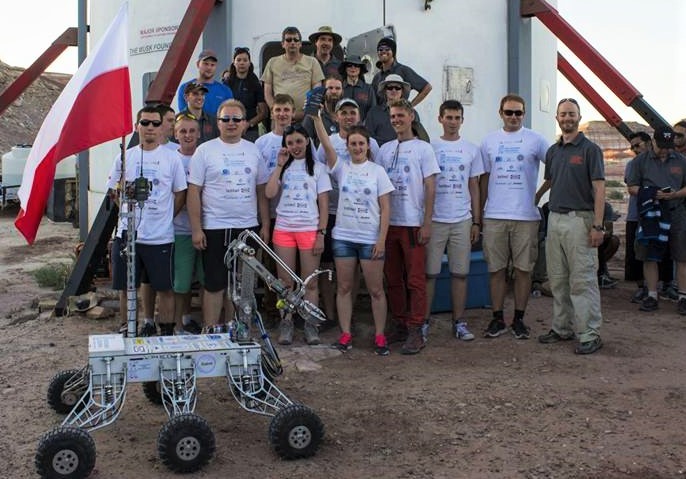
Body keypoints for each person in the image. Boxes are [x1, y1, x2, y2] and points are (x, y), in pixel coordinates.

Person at [313, 116, 394, 355]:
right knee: (344, 287)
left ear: (368, 146)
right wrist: (316, 117)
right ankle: (346, 334)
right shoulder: (341, 168)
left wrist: (381, 239)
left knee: (376, 290)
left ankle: (380, 336)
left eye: (361, 143)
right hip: (344, 237)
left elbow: (386, 208)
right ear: (347, 146)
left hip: (370, 239)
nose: (357, 148)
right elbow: (326, 144)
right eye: (353, 144)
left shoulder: (378, 171)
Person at [187, 99, 270, 331]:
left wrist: (265, 224)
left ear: (244, 123)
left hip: (247, 228)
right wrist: (196, 229)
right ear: (218, 122)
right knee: (215, 283)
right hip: (215, 227)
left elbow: (261, 190)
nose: (231, 123)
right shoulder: (204, 151)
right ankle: (211, 330)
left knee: (240, 284)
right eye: (226, 119)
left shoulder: (253, 150)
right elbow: (193, 191)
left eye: (236, 119)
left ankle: (234, 328)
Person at [106, 106, 187, 336]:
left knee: (165, 288)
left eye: (155, 123)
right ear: (137, 127)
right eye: (145, 123)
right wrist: (126, 213)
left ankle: (167, 331)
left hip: (160, 237)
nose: (150, 127)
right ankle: (127, 328)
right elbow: (113, 192)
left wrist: (166, 217)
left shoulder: (172, 158)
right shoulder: (125, 157)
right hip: (128, 234)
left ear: (161, 128)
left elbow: (180, 192)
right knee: (127, 287)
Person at [537, 98, 605, 355]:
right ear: (557, 118)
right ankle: (562, 327)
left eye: (571, 114)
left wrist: (598, 226)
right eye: (563, 114)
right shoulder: (553, 151)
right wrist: (535, 197)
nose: (567, 118)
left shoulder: (590, 150)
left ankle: (589, 333)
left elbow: (599, 189)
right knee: (558, 279)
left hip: (580, 220)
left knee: (582, 280)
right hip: (555, 219)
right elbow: (551, 180)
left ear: (579, 117)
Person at [480, 94, 549, 340]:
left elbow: (555, 167)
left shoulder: (536, 140)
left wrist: (537, 195)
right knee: (496, 269)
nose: (513, 117)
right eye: (509, 112)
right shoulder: (489, 141)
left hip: (526, 217)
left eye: (518, 113)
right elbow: (484, 178)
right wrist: (480, 213)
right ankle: (497, 318)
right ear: (501, 113)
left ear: (524, 114)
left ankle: (519, 319)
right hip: (495, 215)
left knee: (523, 270)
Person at [376, 98, 440, 355]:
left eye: (400, 115)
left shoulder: (424, 149)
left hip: (413, 223)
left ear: (411, 117)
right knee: (393, 278)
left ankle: (416, 328)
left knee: (415, 279)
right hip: (389, 223)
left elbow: (430, 186)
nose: (396, 120)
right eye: (393, 116)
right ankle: (400, 323)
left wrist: (427, 222)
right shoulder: (385, 149)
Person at [314, 98, 381, 331]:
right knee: (327, 267)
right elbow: (319, 169)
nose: (348, 116)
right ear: (336, 116)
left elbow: (377, 175)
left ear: (359, 116)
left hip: (361, 219)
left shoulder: (371, 144)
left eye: (353, 112)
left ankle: (348, 315)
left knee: (352, 270)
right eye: (344, 112)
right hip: (332, 213)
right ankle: (330, 314)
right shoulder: (330, 143)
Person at [265, 123, 332, 345]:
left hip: (309, 229)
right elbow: (269, 193)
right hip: (284, 229)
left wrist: (321, 233)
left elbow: (324, 204)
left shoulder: (319, 168)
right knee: (285, 282)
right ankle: (287, 323)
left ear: (307, 141)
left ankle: (310, 325)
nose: (295, 146)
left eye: (299, 141)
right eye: (290, 143)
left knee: (309, 282)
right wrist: (279, 165)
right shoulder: (284, 167)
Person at [424, 100, 484, 342]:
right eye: (448, 117)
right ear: (440, 119)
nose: (452, 122)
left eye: (457, 118)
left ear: (462, 120)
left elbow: (474, 186)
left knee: (460, 273)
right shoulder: (430, 147)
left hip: (462, 220)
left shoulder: (471, 149)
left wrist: (476, 221)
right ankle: (423, 322)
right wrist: (425, 220)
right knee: (430, 274)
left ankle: (459, 322)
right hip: (435, 220)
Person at [627, 126, 686, 316]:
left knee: (682, 255)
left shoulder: (681, 160)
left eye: (668, 146)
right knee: (649, 255)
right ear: (653, 142)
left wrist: (674, 195)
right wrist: (651, 193)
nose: (665, 150)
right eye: (661, 146)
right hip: (650, 214)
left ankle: (683, 297)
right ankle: (652, 295)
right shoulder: (640, 161)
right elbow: (632, 187)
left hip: (676, 213)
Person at [171, 113, 204, 334]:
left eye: (192, 131)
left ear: (199, 133)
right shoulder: (170, 159)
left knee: (206, 279)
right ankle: (178, 324)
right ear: (175, 134)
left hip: (206, 228)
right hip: (179, 229)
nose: (188, 135)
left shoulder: (205, 156)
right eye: (183, 131)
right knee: (181, 282)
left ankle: (199, 320)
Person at [262, 26, 325, 121]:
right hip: (280, 118)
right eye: (288, 40)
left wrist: (305, 113)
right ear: (283, 44)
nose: (292, 42)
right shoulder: (272, 62)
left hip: (305, 118)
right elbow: (267, 93)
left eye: (296, 40)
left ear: (300, 44)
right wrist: (276, 111)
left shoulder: (312, 62)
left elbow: (316, 91)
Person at [365, 74, 425, 146]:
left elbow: (419, 137)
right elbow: (368, 137)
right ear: (385, 91)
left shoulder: (412, 113)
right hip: (380, 151)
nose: (394, 90)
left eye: (397, 88)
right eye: (390, 87)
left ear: (402, 91)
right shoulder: (373, 112)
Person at [371, 37, 432, 107]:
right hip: (381, 113)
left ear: (393, 52)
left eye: (387, 49)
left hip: (399, 112)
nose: (383, 51)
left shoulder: (403, 70)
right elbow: (372, 99)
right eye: (380, 49)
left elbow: (427, 87)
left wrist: (410, 106)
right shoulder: (377, 77)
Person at [223, 47, 267, 142]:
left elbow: (263, 112)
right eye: (238, 60)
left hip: (250, 131)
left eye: (245, 60)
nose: (242, 63)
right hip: (229, 128)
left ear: (249, 63)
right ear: (234, 62)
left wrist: (248, 124)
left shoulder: (255, 84)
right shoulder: (227, 84)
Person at [177, 49, 234, 116]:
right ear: (198, 64)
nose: (209, 68)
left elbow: (229, 115)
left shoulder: (225, 91)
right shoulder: (185, 88)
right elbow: (184, 115)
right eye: (206, 64)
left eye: (212, 65)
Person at [302, 75, 342, 143]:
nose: (334, 91)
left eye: (338, 88)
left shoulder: (349, 115)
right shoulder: (313, 114)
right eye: (330, 88)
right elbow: (304, 140)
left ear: (342, 91)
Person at [339, 55, 375, 121]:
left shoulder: (368, 89)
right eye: (349, 65)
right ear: (345, 69)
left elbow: (373, 111)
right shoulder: (339, 88)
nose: (353, 68)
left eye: (356, 65)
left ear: (360, 69)